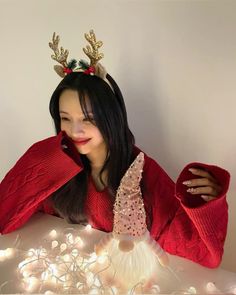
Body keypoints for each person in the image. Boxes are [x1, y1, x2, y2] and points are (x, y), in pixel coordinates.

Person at [0, 31, 230, 269]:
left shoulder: (141, 172)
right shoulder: (57, 165)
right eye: (65, 118)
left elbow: (204, 255)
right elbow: (5, 216)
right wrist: (44, 158)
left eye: (88, 118)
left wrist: (206, 205)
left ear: (110, 117)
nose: (75, 130)